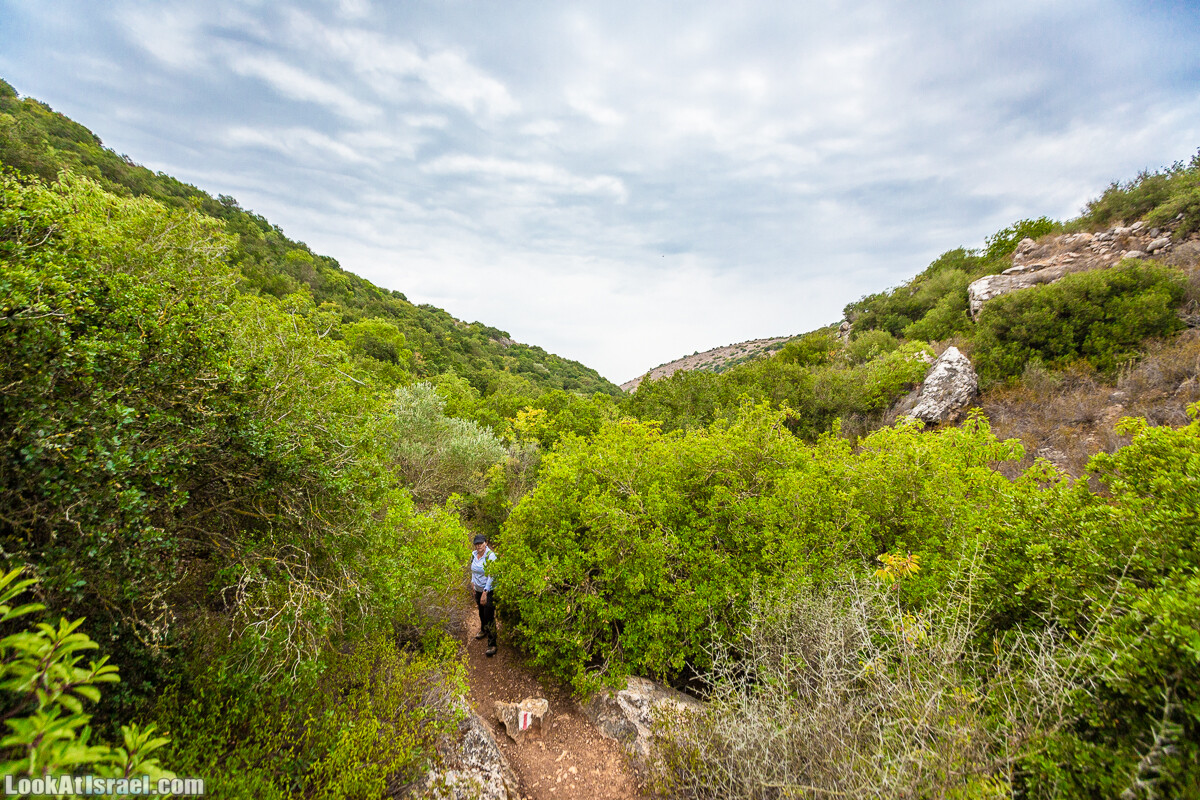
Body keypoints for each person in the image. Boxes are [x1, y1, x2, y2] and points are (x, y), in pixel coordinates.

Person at [470, 534, 498, 656]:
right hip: (478, 588)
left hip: (489, 590)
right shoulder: (473, 555)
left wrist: (485, 592)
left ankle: (492, 644)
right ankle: (483, 630)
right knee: (481, 612)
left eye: (481, 543)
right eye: (477, 544)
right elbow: (473, 570)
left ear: (486, 543)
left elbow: (492, 575)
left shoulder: (491, 556)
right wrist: (472, 582)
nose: (478, 546)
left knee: (489, 615)